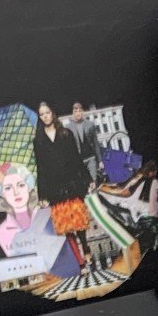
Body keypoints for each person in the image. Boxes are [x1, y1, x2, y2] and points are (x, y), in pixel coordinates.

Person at [32, 101, 92, 264]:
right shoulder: (38, 141)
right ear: (39, 117)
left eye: (47, 113)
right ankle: (79, 260)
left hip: (71, 183)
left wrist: (87, 179)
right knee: (66, 226)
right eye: (42, 114)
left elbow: (76, 159)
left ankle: (86, 248)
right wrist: (42, 195)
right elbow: (41, 168)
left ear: (53, 113)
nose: (45, 116)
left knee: (78, 221)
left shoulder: (66, 133)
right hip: (54, 188)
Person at [68, 102, 100, 185]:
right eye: (76, 111)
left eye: (80, 111)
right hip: (79, 161)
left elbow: (95, 143)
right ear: (73, 113)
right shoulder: (68, 128)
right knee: (83, 184)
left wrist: (100, 161)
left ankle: (94, 192)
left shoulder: (90, 124)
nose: (78, 113)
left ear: (82, 112)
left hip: (91, 158)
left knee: (93, 182)